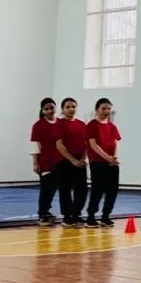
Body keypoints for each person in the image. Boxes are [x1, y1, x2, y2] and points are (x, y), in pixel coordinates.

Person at [86, 97, 121, 227]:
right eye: (103, 108)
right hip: (97, 162)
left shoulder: (112, 126)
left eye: (109, 109)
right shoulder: (92, 125)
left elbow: (115, 142)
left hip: (111, 163)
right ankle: (91, 216)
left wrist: (114, 158)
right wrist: (107, 157)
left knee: (112, 190)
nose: (106, 111)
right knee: (98, 190)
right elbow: (93, 144)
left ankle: (106, 216)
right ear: (97, 110)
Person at [54, 97, 89, 226]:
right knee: (65, 189)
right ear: (63, 109)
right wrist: (72, 160)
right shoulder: (59, 124)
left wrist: (83, 158)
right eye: (68, 107)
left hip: (80, 160)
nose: (71, 109)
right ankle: (67, 216)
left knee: (82, 189)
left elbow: (86, 143)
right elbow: (59, 144)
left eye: (73, 106)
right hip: (65, 161)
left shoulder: (81, 124)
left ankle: (76, 213)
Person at [29, 97, 62, 225]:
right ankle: (42, 213)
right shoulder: (38, 126)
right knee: (46, 188)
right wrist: (35, 162)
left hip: (60, 161)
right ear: (42, 111)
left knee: (54, 188)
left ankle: (47, 210)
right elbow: (34, 145)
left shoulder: (61, 123)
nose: (49, 111)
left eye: (51, 108)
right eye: (46, 109)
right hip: (45, 161)